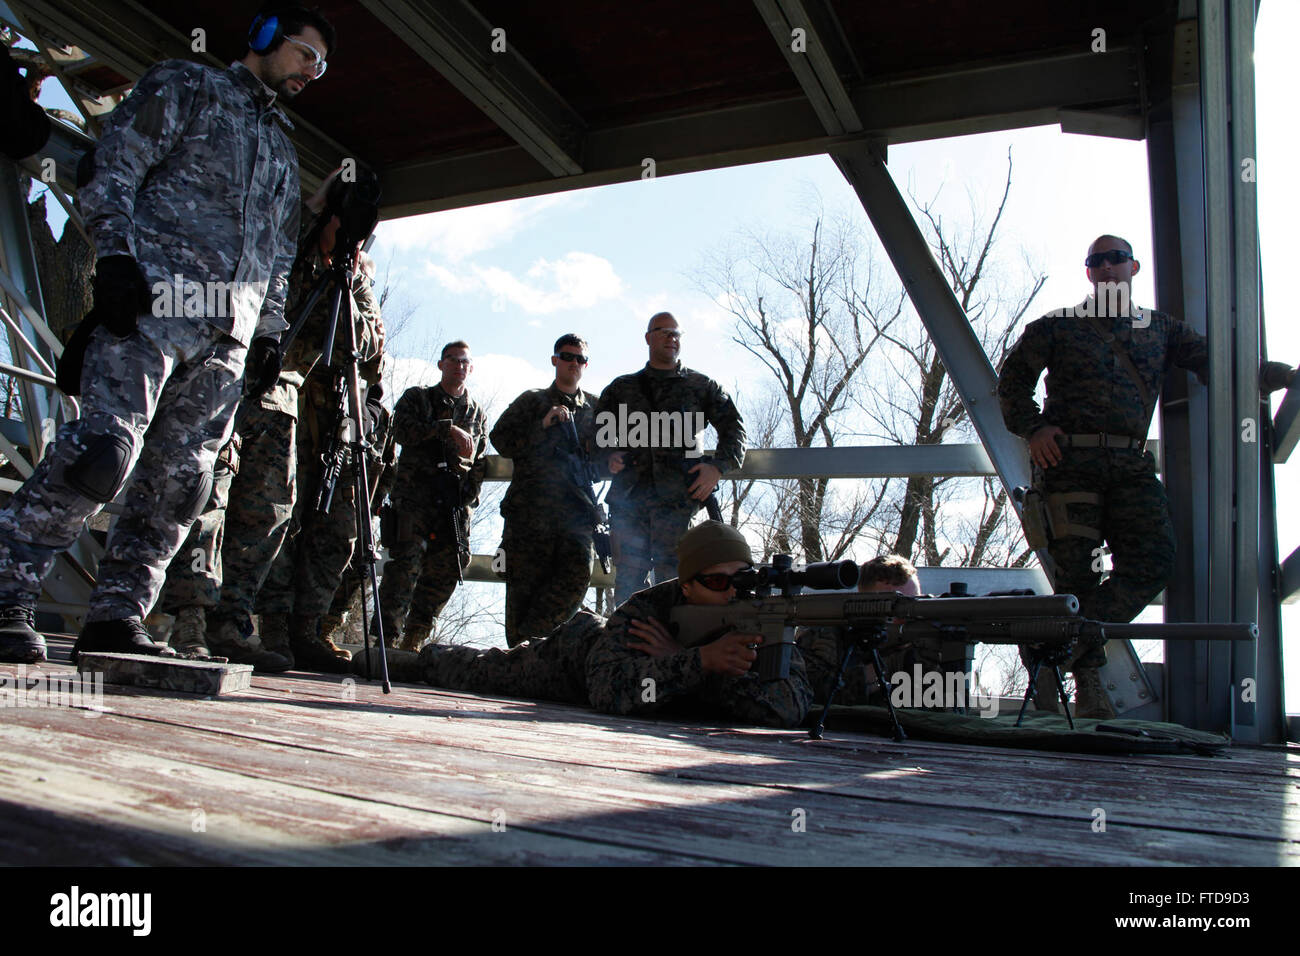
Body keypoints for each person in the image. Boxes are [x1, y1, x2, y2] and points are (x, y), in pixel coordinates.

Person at [0, 4, 335, 664]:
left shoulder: (279, 150)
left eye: (322, 66)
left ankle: (118, 615)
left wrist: (268, 334)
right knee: (101, 454)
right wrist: (117, 259)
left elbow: (275, 258)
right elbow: (112, 170)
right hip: (154, 309)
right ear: (265, 36)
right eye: (304, 54)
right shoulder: (186, 87)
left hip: (225, 346)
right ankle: (8, 592)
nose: (312, 72)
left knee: (181, 485)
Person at [996, 234, 1295, 716]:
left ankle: (1059, 643)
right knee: (1077, 577)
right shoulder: (1055, 328)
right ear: (1088, 273)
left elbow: (1223, 367)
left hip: (1130, 465)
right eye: (1097, 261)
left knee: (1155, 560)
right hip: (1068, 466)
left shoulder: (1161, 330)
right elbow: (1010, 386)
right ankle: (1087, 683)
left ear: (1133, 268)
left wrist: (1283, 375)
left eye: (1117, 259)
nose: (1108, 267)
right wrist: (1034, 430)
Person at [157, 172, 383, 673]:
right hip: (237, 380)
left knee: (268, 516)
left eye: (361, 232)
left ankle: (230, 622)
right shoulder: (287, 253)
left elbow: (365, 346)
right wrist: (313, 211)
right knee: (208, 499)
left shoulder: (353, 279)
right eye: (343, 223)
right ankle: (190, 621)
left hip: (285, 398)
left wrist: (345, 282)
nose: (351, 237)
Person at [415, 521, 813, 729]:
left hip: (625, 671)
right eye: (716, 581)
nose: (732, 593)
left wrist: (686, 661)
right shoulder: (648, 609)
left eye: (740, 580)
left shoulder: (760, 613)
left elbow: (790, 707)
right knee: (482, 670)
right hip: (570, 661)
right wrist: (699, 663)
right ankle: (411, 660)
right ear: (688, 587)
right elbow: (608, 691)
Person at [596, 312, 745, 604]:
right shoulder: (621, 389)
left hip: (677, 507)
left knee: (678, 587)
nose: (672, 338)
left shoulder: (702, 387)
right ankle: (625, 648)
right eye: (664, 332)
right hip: (629, 504)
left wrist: (717, 468)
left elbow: (734, 429)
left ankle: (674, 649)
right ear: (648, 338)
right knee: (628, 589)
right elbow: (598, 436)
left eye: (677, 334)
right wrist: (608, 458)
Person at [376, 341, 488, 650]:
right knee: (404, 567)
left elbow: (479, 460)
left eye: (464, 361)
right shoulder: (418, 398)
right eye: (452, 360)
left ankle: (415, 638)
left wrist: (467, 495)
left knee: (448, 569)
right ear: (441, 365)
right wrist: (446, 429)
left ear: (471, 367)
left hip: (452, 505)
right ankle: (385, 641)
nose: (458, 366)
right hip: (415, 500)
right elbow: (400, 430)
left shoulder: (476, 412)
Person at [490, 334, 600, 646]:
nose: (573, 363)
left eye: (580, 359)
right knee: (521, 590)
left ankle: (534, 643)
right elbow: (501, 440)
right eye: (567, 356)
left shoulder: (595, 408)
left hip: (576, 517)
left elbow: (606, 460)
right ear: (555, 360)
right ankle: (518, 658)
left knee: (578, 575)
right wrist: (542, 426)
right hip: (529, 516)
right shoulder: (532, 400)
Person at [796, 554, 923, 705]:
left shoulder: (926, 640)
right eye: (893, 607)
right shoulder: (827, 635)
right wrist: (872, 672)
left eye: (914, 603)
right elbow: (807, 692)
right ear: (861, 602)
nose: (905, 617)